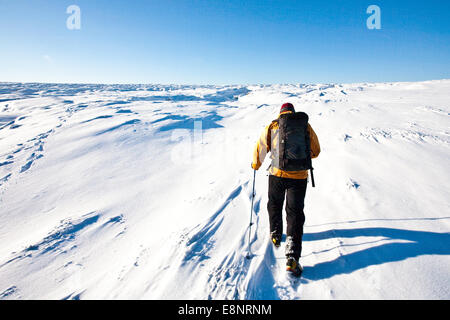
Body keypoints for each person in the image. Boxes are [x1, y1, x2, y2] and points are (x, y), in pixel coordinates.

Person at [251, 102, 320, 276]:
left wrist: (255, 164)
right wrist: (300, 158)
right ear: (293, 113)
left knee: (274, 203)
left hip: (277, 174)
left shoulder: (273, 125)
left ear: (281, 113)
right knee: (295, 212)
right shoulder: (305, 126)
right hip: (299, 176)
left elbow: (261, 148)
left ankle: (275, 233)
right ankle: (292, 257)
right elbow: (316, 150)